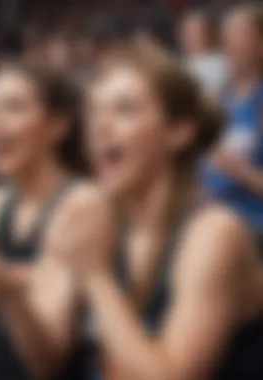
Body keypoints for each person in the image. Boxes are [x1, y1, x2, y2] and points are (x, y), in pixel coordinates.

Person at [55, 51, 263, 379]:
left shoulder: (215, 232)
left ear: (178, 132)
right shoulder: (105, 223)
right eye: (93, 111)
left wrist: (95, 276)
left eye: (124, 109)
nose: (99, 126)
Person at [0, 62, 97, 380]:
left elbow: (46, 364)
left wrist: (3, 286)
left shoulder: (82, 202)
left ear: (57, 126)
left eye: (13, 107)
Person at [202, 4, 263, 243]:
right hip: (212, 226)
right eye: (225, 36)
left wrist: (239, 170)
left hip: (252, 232)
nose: (228, 45)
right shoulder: (219, 100)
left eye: (238, 36)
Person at [179, 9, 227, 96]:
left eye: (195, 32)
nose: (190, 37)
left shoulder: (221, 63)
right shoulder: (183, 64)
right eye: (187, 32)